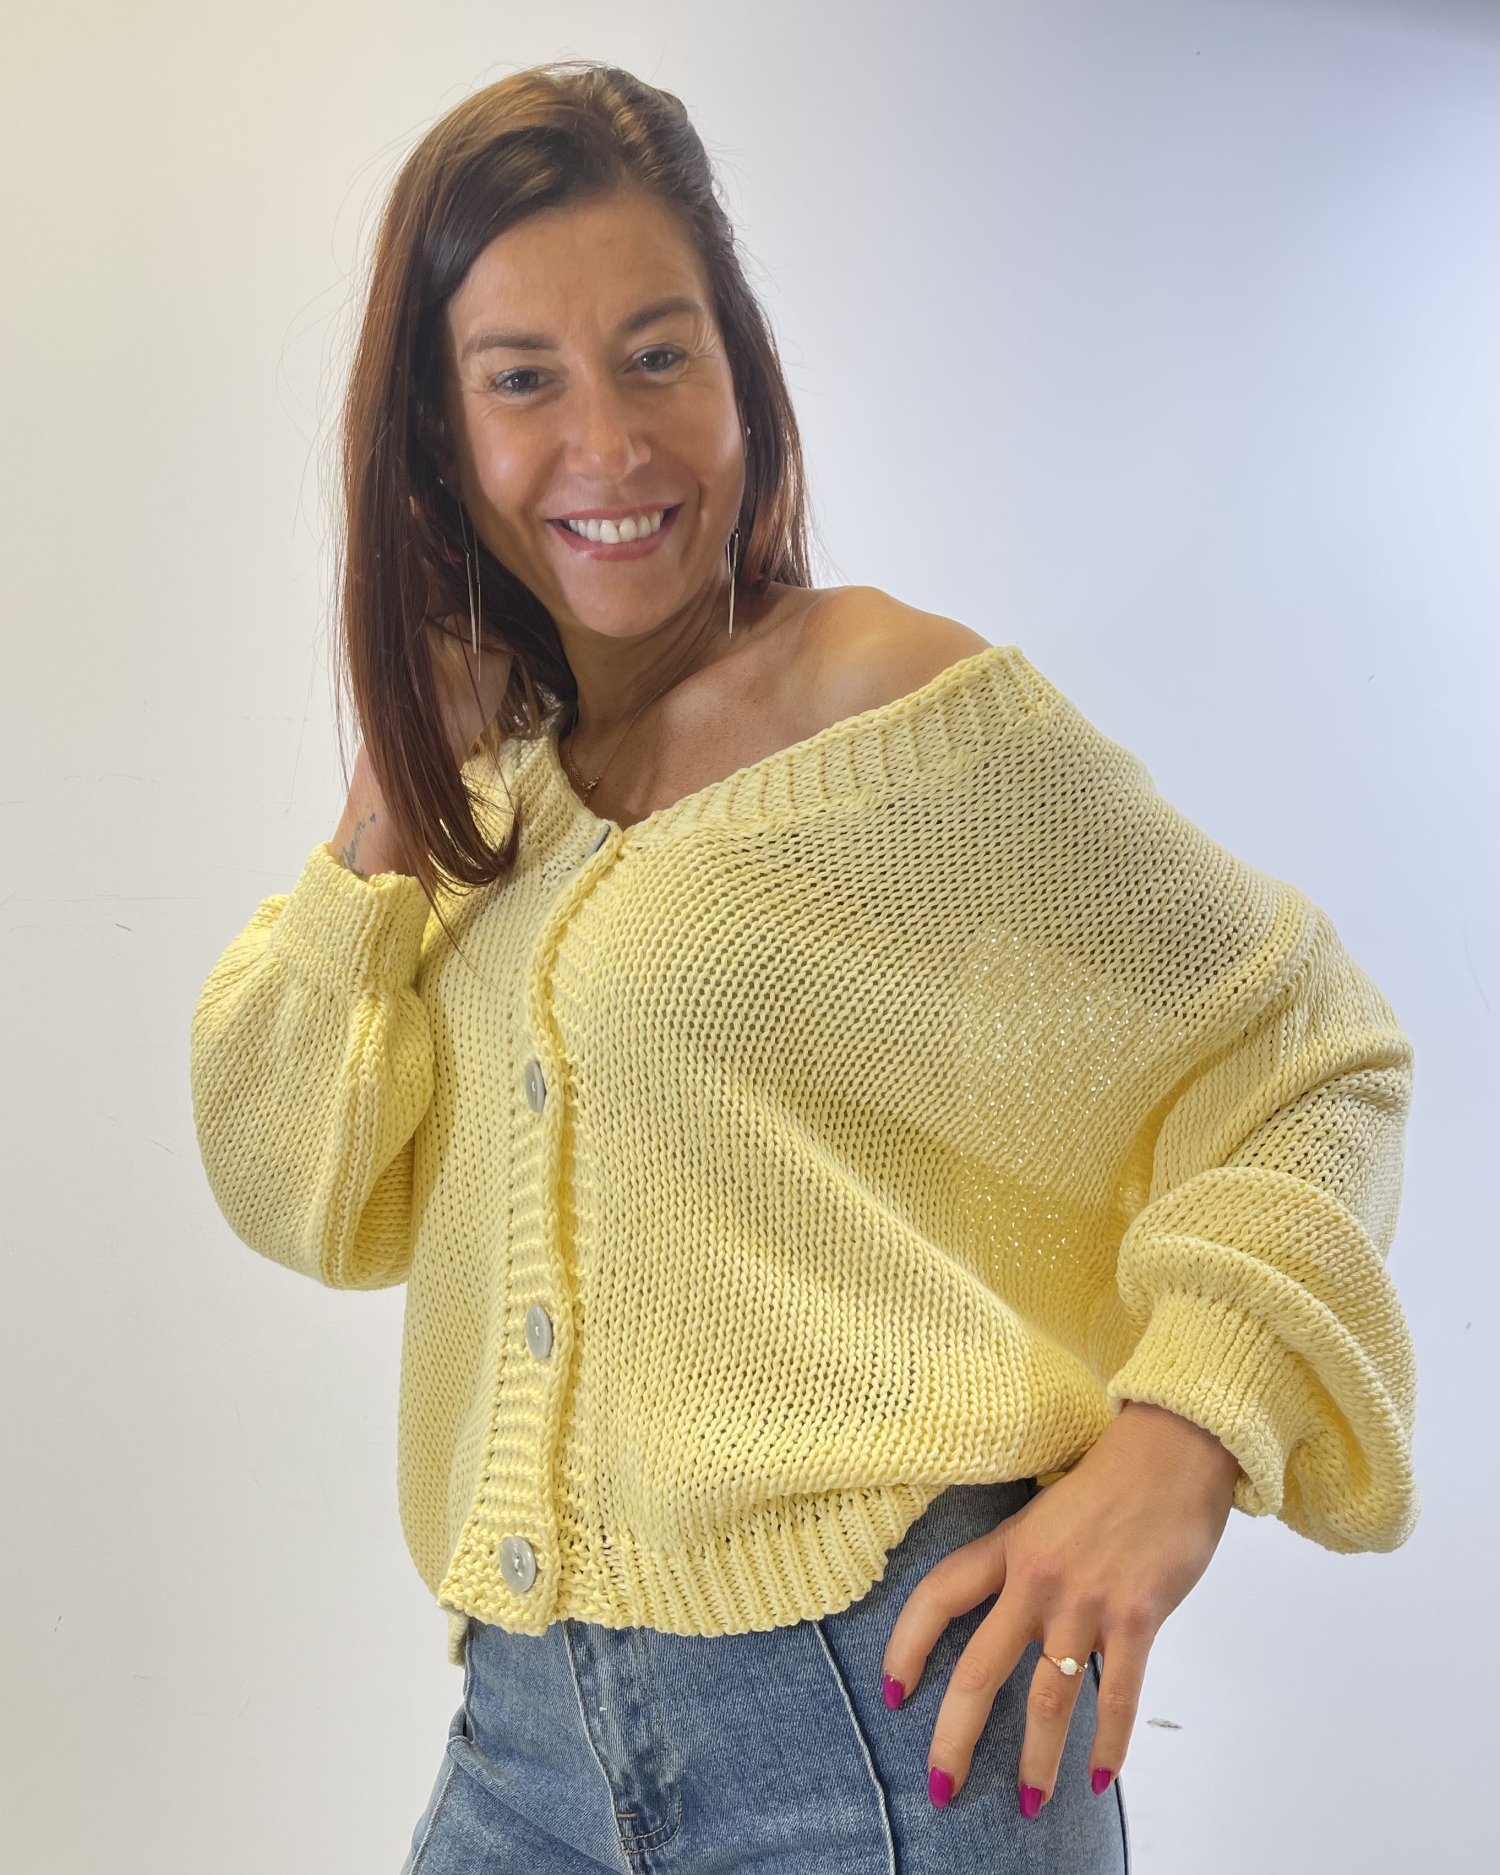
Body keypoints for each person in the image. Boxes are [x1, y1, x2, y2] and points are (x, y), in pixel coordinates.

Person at [190, 62, 1418, 1875]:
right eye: (522, 378)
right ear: (437, 441)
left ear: (741, 374)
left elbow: (1313, 1047)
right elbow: (296, 1186)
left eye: (658, 356)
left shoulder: (886, 704)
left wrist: (1182, 1445)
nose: (610, 443)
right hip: (526, 1749)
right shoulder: (495, 807)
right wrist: (390, 810)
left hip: (881, 1731)